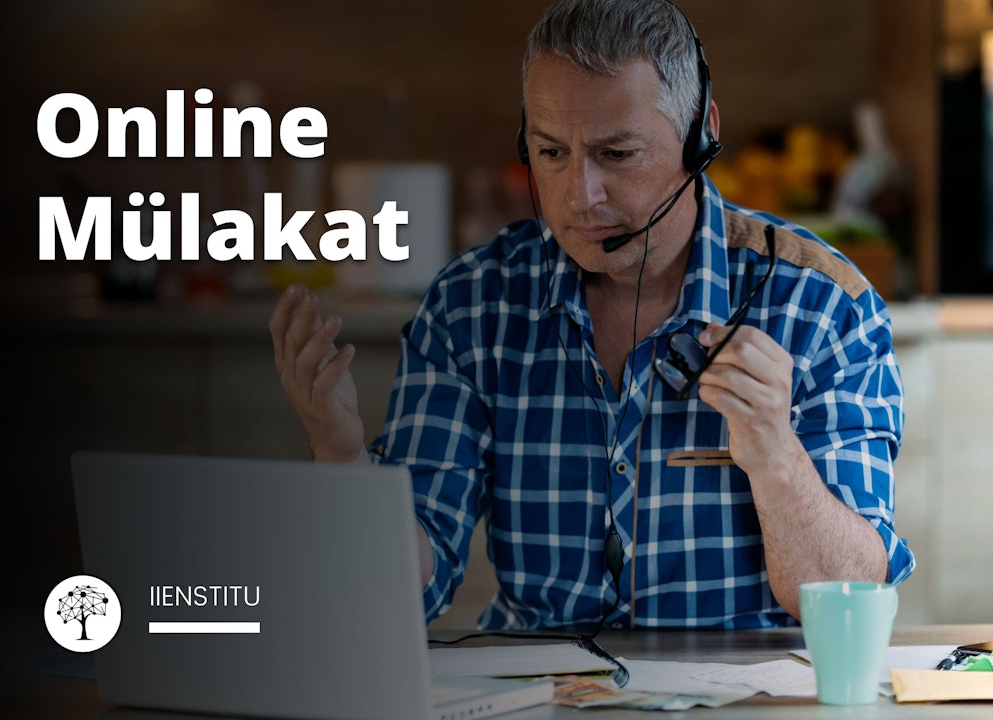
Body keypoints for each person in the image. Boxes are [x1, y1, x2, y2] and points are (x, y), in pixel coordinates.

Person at [270, 0, 913, 631]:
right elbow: (406, 594)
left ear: (703, 134)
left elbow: (853, 601)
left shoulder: (825, 306)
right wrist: (343, 456)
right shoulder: (470, 306)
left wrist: (777, 457)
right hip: (538, 691)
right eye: (551, 154)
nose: (581, 196)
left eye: (617, 154)